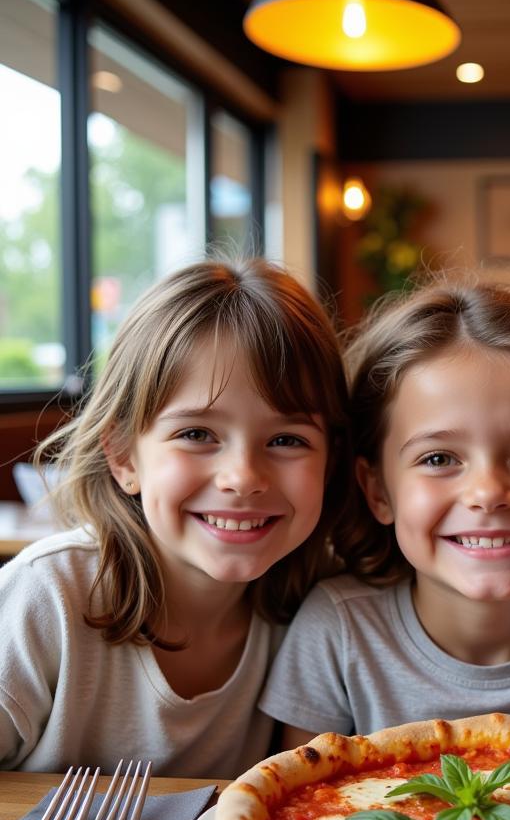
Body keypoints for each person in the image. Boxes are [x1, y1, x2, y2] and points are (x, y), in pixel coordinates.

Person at [260, 281, 510, 744]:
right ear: (376, 489)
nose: (488, 493)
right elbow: (294, 804)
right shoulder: (337, 632)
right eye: (438, 459)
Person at [0, 259, 350, 777]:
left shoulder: (315, 610)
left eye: (286, 440)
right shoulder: (47, 595)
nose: (242, 477)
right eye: (197, 434)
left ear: (331, 463)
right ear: (123, 456)